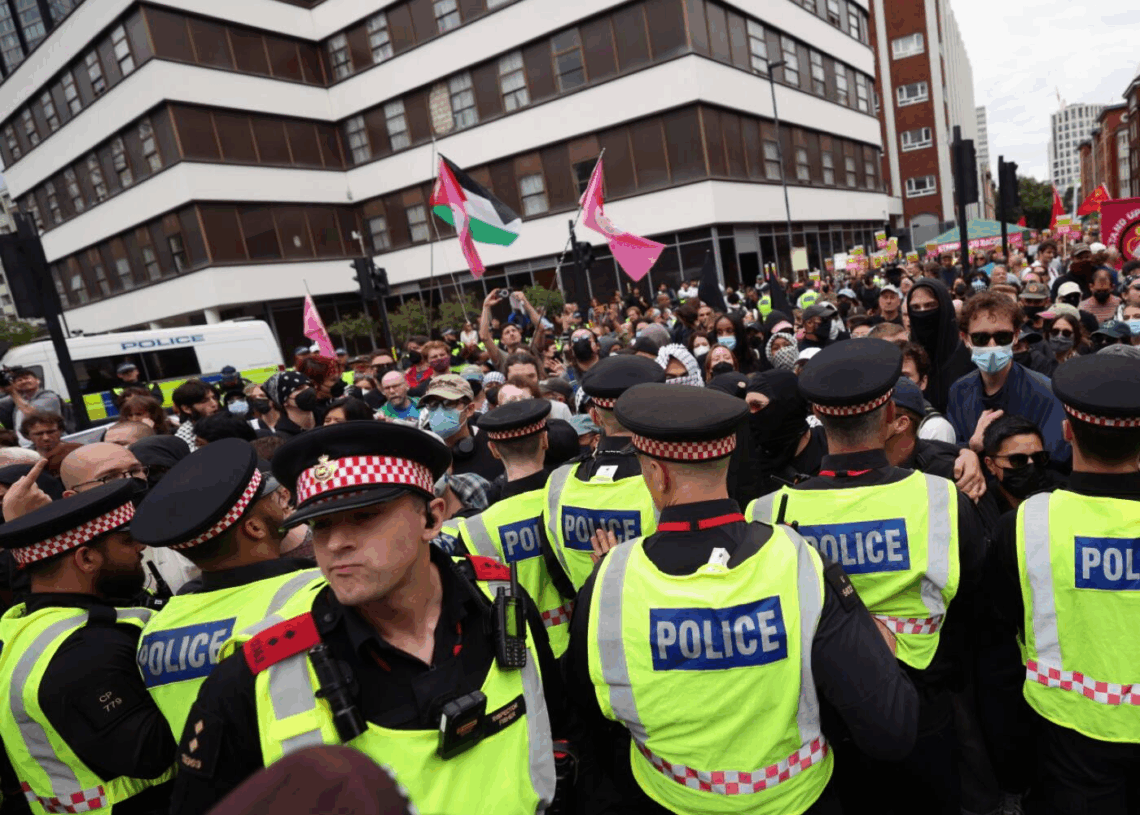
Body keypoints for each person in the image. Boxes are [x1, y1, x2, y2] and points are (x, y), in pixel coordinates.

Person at [169, 422, 581, 815]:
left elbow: (557, 721)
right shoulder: (254, 675)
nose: (336, 543)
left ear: (432, 518)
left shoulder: (501, 599)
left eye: (365, 516)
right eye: (321, 524)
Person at [566, 382, 919, 814]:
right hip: (798, 800)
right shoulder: (800, 562)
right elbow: (890, 729)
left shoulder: (609, 580)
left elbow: (585, 710)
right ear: (726, 461)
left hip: (665, 799)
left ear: (656, 474)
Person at [745, 340, 985, 815]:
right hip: (921, 701)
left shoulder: (769, 511)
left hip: (821, 712)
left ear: (817, 415)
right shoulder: (940, 498)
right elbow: (975, 598)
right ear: (891, 409)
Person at [986, 355, 1140, 814]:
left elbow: (998, 656)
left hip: (1067, 745)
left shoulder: (1025, 525)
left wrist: (1011, 769)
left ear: (1067, 432)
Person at [0, 480, 176, 812]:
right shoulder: (88, 648)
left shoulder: (17, 624)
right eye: (125, 540)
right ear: (87, 558)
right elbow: (149, 755)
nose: (140, 547)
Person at [130, 439, 321, 738]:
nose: (283, 501)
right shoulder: (311, 596)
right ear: (255, 529)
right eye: (273, 498)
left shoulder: (156, 630)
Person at [451, 400, 573, 657]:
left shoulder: (475, 529)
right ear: (545, 441)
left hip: (526, 654)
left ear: (494, 450)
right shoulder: (575, 502)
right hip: (588, 643)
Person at [542, 356, 665, 595]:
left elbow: (555, 568)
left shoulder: (560, 480)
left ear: (595, 417)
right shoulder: (664, 476)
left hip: (586, 619)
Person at [947, 291, 1069, 466]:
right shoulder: (958, 392)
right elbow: (953, 453)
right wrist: (971, 447)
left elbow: (1054, 461)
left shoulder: (1045, 393)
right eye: (981, 338)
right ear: (965, 338)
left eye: (1002, 337)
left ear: (1016, 336)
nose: (992, 345)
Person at [420, 374, 503, 484]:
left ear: (469, 409)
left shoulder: (493, 443)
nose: (439, 410)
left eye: (448, 403)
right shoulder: (423, 453)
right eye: (433, 404)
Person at [905, 279, 973, 414]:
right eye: (916, 308)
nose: (923, 313)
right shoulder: (908, 360)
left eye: (930, 305)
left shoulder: (968, 357)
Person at [980, 414, 1051, 517]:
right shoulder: (981, 510)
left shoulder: (1060, 495)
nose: (1031, 464)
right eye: (1017, 460)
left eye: (1038, 457)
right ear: (991, 465)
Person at [0, 368, 66, 444]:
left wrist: (13, 392)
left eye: (27, 378)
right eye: (19, 380)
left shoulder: (49, 396)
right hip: (25, 446)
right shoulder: (18, 399)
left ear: (38, 381)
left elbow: (33, 415)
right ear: (14, 385)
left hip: (48, 443)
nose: (24, 381)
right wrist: (4, 388)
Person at [172, 379, 220, 450]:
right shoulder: (183, 439)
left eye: (214, 398)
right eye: (204, 401)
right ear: (187, 409)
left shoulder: (226, 424)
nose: (214, 404)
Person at [269, 371, 318, 438]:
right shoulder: (282, 438)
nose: (308, 389)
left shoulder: (329, 418)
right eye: (299, 388)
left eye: (309, 385)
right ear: (284, 402)